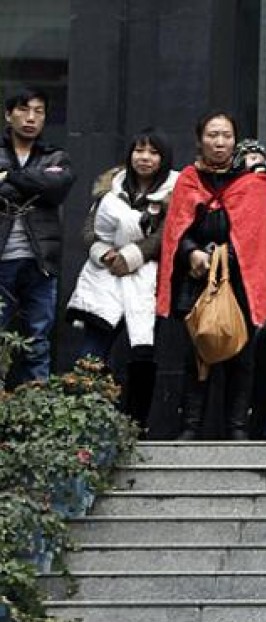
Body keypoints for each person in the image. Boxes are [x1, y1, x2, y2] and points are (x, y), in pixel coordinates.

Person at [155, 111, 266, 440]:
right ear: (200, 139)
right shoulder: (187, 179)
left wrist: (232, 255)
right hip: (197, 279)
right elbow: (175, 231)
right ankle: (190, 426)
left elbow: (262, 235)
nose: (219, 141)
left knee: (242, 357)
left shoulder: (251, 182)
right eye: (213, 134)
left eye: (226, 135)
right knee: (197, 353)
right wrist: (191, 253)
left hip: (241, 281)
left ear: (235, 140)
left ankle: (237, 427)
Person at [66, 128, 177, 424]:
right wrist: (104, 253)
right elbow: (89, 230)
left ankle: (136, 426)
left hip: (147, 281)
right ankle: (88, 422)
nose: (145, 158)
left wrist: (132, 256)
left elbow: (169, 233)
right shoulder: (109, 187)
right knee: (92, 354)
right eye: (140, 150)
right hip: (105, 279)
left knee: (142, 353)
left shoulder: (175, 189)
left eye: (154, 152)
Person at [0, 87, 75, 385]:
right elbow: (44, 185)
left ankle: (37, 416)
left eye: (38, 111)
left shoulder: (55, 155)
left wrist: (11, 178)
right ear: (8, 114)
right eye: (23, 109)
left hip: (40, 263)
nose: (31, 118)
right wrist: (37, 184)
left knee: (38, 341)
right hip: (2, 260)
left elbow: (57, 188)